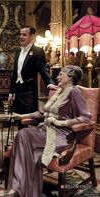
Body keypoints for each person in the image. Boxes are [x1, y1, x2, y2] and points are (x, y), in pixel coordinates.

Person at [6, 65, 92, 197]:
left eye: (60, 74)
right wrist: (22, 116)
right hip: (46, 130)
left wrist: (62, 122)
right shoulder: (58, 92)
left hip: (61, 135)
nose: (57, 77)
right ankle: (19, 187)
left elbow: (86, 117)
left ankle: (19, 188)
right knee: (22, 135)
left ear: (70, 78)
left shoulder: (74, 91)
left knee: (24, 135)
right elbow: (41, 113)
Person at [8, 26, 58, 128]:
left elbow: (43, 70)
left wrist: (50, 83)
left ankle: (29, 141)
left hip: (29, 91)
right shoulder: (18, 52)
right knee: (18, 119)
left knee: (27, 120)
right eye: (20, 34)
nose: (21, 37)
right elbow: (15, 73)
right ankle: (21, 141)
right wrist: (11, 92)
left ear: (32, 37)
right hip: (18, 91)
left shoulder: (38, 51)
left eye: (24, 35)